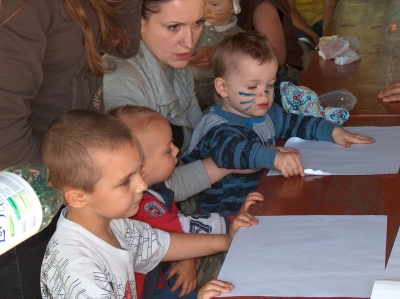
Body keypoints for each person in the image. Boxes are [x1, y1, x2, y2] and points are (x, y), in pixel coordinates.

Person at [0, 0, 141, 297]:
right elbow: (4, 127)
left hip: (67, 185)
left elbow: (124, 44)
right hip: (27, 198)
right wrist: (62, 190)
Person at [39, 109, 259, 298]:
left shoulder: (112, 223)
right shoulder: (80, 272)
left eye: (138, 172)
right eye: (126, 181)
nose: (142, 186)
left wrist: (227, 241)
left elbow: (160, 245)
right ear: (78, 198)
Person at [182, 31, 376, 216]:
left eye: (269, 84)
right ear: (222, 87)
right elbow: (234, 152)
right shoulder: (219, 127)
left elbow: (293, 122)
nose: (264, 93)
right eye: (252, 86)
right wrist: (274, 158)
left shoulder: (266, 111)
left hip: (262, 196)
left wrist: (331, 131)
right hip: (226, 214)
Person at [109, 105, 263, 298]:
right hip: (150, 290)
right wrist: (234, 221)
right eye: (167, 150)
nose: (176, 150)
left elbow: (174, 229)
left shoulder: (157, 188)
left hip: (162, 273)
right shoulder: (142, 204)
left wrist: (188, 257)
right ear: (142, 167)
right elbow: (184, 227)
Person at [191, 0, 243, 110]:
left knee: (224, 107)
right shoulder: (194, 27)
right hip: (191, 86)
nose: (207, 10)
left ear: (232, 8)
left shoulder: (239, 37)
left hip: (217, 88)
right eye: (204, 4)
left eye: (214, 5)